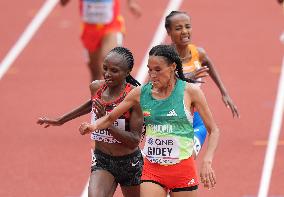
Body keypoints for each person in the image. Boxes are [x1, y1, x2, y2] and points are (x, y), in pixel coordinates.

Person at [79, 44, 220, 196]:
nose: (152, 75)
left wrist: (207, 160)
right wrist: (93, 126)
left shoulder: (191, 92)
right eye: (149, 69)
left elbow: (214, 130)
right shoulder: (141, 93)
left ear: (172, 67)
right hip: (152, 170)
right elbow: (111, 117)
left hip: (182, 169)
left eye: (158, 70)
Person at [37, 47, 144, 197]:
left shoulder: (134, 97)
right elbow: (92, 103)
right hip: (103, 160)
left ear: (127, 72)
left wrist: (106, 122)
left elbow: (133, 141)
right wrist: (60, 120)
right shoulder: (96, 87)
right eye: (105, 68)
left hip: (129, 163)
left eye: (114, 70)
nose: (107, 74)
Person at [165, 10, 239, 155]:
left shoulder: (199, 53)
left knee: (189, 156)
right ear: (169, 31)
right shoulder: (164, 57)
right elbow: (156, 86)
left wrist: (224, 93)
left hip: (197, 117)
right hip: (172, 117)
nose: (184, 31)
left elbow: (209, 65)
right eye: (178, 28)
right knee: (174, 160)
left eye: (187, 26)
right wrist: (186, 78)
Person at [60, 0, 142, 81]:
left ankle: (116, 91)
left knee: (111, 60)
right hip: (90, 30)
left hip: (111, 26)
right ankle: (97, 93)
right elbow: (63, 3)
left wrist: (131, 3)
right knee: (95, 73)